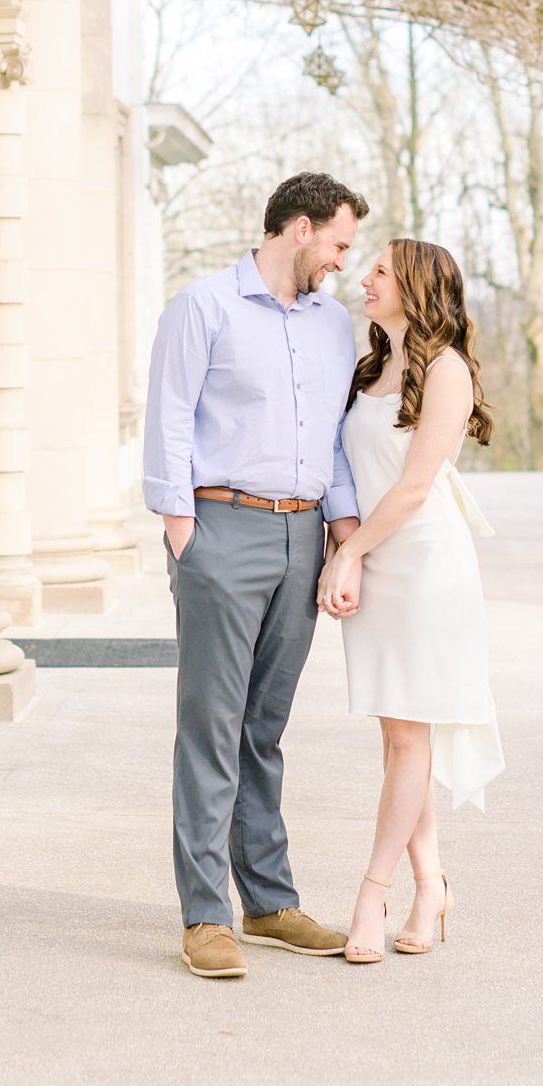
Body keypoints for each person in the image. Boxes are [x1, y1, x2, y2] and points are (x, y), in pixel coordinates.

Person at [143, 172, 371, 979]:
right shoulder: (202, 306)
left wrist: (343, 537)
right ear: (300, 228)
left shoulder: (333, 323)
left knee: (263, 728)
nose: (345, 261)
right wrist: (183, 531)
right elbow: (169, 415)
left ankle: (268, 900)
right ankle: (206, 913)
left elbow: (339, 434)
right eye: (340, 243)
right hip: (221, 528)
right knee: (211, 724)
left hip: (302, 534)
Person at [317, 238, 503, 965]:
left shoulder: (448, 370)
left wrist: (350, 552)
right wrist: (351, 546)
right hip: (372, 560)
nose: (365, 277)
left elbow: (417, 486)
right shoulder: (371, 366)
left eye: (382, 271)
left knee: (406, 736)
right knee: (402, 737)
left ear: (417, 286)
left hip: (424, 567)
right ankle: (432, 882)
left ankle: (373, 890)